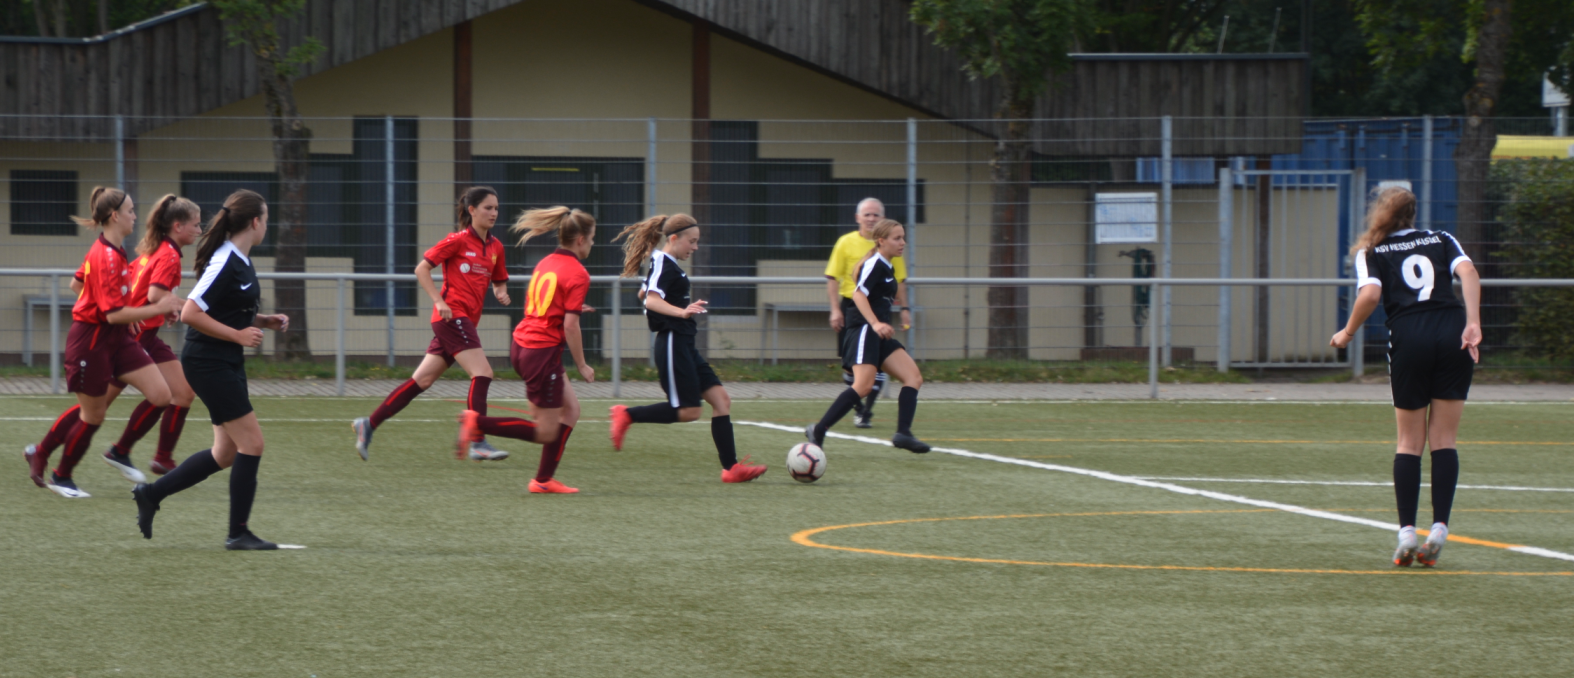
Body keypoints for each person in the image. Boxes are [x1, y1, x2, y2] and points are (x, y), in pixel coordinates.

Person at [132, 189, 291, 550]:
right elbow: (190, 313)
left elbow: (226, 306)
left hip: (225, 360)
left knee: (226, 453)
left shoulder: (240, 259)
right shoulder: (225, 260)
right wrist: (237, 334)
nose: (267, 225)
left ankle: (151, 494)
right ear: (255, 222)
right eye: (266, 218)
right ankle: (238, 533)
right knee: (252, 443)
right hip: (208, 361)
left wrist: (262, 320)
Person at [1330, 186, 1479, 568]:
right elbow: (1469, 272)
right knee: (1444, 439)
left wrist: (1347, 333)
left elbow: (1369, 296)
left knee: (1409, 441)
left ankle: (1407, 533)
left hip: (1410, 337)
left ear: (1380, 212)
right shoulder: (1442, 238)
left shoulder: (1372, 251)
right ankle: (1441, 526)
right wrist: (1473, 324)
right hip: (1452, 332)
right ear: (1413, 214)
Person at [23, 187, 180, 498]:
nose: (136, 216)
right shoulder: (107, 255)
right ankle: (58, 472)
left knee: (162, 394)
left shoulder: (114, 249)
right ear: (114, 216)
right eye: (131, 211)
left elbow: (76, 283)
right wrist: (152, 309)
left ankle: (117, 452)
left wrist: (125, 312)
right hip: (92, 341)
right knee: (93, 414)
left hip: (117, 338)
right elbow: (110, 315)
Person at [353, 186, 511, 462]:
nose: (494, 213)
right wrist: (439, 301)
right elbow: (421, 268)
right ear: (471, 210)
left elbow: (499, 278)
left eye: (496, 208)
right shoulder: (457, 240)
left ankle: (369, 424)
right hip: (451, 318)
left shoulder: (496, 247)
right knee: (483, 372)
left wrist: (500, 291)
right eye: (488, 207)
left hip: (463, 322)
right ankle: (478, 442)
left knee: (422, 380)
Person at [606, 214, 767, 483]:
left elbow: (644, 293)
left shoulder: (664, 263)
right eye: (691, 242)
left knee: (721, 400)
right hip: (671, 341)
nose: (695, 247)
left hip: (684, 343)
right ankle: (627, 414)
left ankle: (731, 468)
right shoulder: (664, 263)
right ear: (673, 239)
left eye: (697, 242)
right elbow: (651, 302)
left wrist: (667, 301)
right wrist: (681, 312)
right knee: (690, 411)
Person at [455, 206, 595, 493]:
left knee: (571, 411)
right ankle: (476, 422)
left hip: (522, 345)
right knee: (546, 431)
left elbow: (548, 303)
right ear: (580, 239)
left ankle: (543, 480)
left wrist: (573, 309)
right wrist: (582, 364)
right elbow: (570, 326)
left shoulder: (546, 261)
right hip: (541, 352)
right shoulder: (579, 273)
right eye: (592, 238)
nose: (593, 244)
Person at [94, 195, 202, 478]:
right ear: (178, 227)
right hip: (133, 337)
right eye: (196, 225)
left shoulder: (156, 250)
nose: (200, 231)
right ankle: (46, 452)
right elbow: (155, 293)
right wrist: (181, 306)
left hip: (146, 334)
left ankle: (160, 458)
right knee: (95, 408)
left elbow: (137, 287)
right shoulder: (168, 254)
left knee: (183, 392)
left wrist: (163, 310)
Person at [807, 219, 930, 454]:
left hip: (878, 333)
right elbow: (858, 295)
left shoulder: (888, 265)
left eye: (903, 237)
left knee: (913, 377)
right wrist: (875, 323)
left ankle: (903, 433)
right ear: (881, 241)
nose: (903, 242)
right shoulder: (875, 264)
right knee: (863, 386)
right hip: (864, 329)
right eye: (897, 238)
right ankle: (819, 429)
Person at [825, 198, 909, 429]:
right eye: (867, 214)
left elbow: (899, 282)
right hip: (856, 313)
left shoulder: (891, 253)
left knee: (890, 371)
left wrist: (904, 308)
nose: (871, 218)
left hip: (878, 316)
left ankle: (869, 413)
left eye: (876, 215)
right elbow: (836, 279)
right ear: (858, 218)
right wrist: (835, 310)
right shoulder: (848, 243)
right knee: (854, 373)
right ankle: (832, 421)